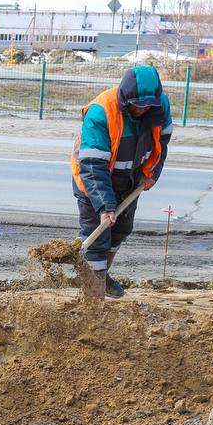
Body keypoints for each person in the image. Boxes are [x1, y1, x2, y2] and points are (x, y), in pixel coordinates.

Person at [70, 65, 173, 298]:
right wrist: (105, 207)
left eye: (148, 105)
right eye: (137, 105)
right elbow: (93, 166)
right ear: (126, 98)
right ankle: (94, 299)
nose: (143, 109)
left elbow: (162, 142)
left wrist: (152, 173)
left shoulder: (159, 106)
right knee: (97, 237)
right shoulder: (101, 112)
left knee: (121, 230)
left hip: (131, 180)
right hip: (93, 182)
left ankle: (100, 276)